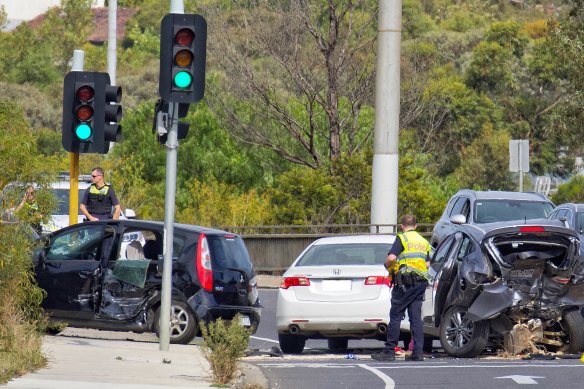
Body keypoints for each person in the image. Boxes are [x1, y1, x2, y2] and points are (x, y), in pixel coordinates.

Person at [372, 214, 431, 362]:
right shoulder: (423, 241)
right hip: (420, 283)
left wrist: (387, 266)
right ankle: (417, 352)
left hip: (405, 283)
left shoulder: (402, 238)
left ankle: (389, 351)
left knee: (396, 315)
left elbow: (392, 258)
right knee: (416, 318)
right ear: (416, 226)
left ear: (402, 227)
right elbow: (428, 264)